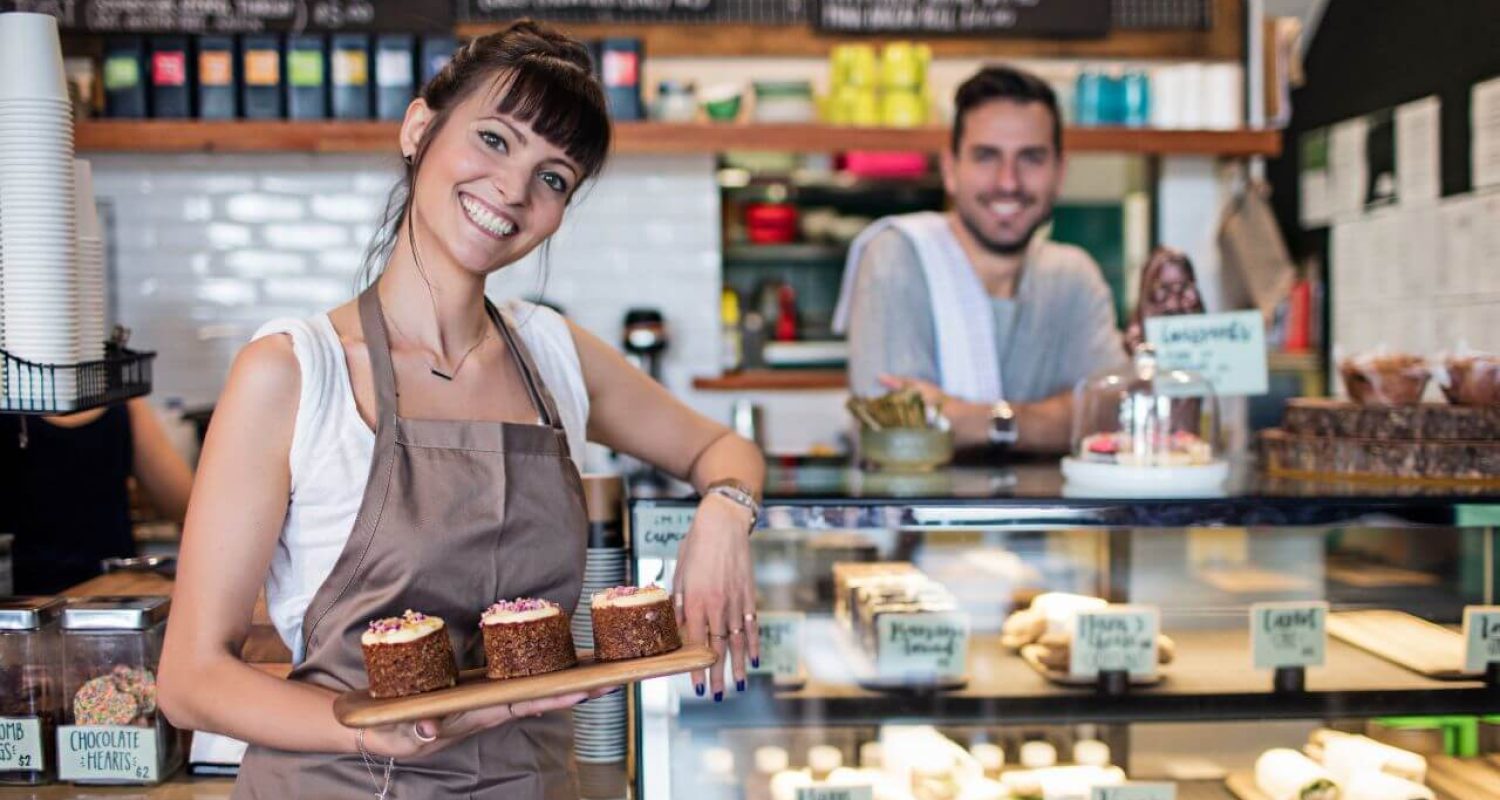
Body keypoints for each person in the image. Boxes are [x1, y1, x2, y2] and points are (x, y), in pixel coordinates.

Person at [158, 22, 765, 799]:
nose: (514, 189)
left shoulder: (553, 354)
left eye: (554, 178)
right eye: (494, 139)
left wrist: (722, 513)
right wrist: (362, 724)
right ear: (419, 129)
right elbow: (191, 678)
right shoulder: (293, 372)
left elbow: (724, 449)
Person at [834, 65, 1127, 455]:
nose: (1008, 181)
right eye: (986, 156)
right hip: (920, 516)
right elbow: (895, 433)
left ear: (1060, 172)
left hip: (1060, 518)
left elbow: (1112, 417)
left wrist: (973, 419)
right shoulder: (897, 256)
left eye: (1031, 158)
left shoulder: (1073, 277)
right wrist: (1053, 418)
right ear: (950, 169)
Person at [0, 398, 193, 594]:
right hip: (113, 592)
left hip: (48, 596)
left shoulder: (123, 398)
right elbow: (182, 504)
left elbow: (182, 505)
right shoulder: (122, 397)